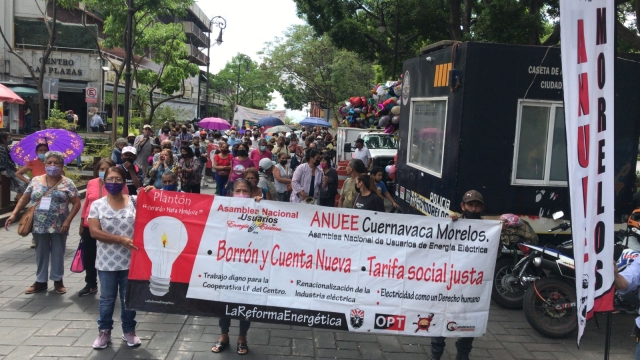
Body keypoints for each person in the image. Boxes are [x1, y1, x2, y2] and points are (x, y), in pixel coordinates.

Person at [4, 151, 81, 294]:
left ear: (62, 165)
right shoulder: (36, 180)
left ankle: (58, 281)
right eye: (49, 163)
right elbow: (24, 198)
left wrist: (68, 220)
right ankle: (40, 281)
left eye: (56, 163)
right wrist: (14, 214)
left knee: (58, 252)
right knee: (41, 252)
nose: (52, 166)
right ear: (44, 165)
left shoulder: (67, 183)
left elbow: (76, 203)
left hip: (59, 225)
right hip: (39, 224)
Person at [88, 166, 141, 349]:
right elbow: (94, 232)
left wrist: (151, 191)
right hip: (106, 262)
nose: (114, 183)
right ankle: (104, 332)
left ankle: (129, 331)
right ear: (104, 180)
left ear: (124, 181)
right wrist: (120, 240)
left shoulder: (135, 201)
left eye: (118, 179)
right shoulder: (97, 205)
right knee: (107, 298)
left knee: (129, 299)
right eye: (110, 179)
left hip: (131, 261)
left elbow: (156, 206)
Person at [430, 190, 485, 360]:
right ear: (463, 206)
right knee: (441, 318)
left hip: (473, 285)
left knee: (470, 320)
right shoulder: (453, 223)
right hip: (449, 283)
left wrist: (499, 233)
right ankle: (436, 355)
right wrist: (447, 223)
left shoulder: (488, 229)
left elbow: (492, 255)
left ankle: (463, 355)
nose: (473, 209)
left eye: (477, 206)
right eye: (470, 205)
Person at [78, 158, 128, 297]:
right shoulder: (92, 183)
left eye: (107, 169)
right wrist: (82, 221)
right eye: (101, 169)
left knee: (108, 254)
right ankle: (91, 283)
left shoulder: (118, 184)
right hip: (90, 225)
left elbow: (126, 201)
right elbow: (87, 202)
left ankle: (113, 283)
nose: (104, 172)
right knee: (89, 255)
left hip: (110, 226)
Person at [0, 132, 27, 202]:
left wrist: (16, 166)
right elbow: (5, 162)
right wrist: (14, 168)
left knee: (26, 179)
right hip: (4, 170)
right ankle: (18, 201)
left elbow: (12, 159)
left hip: (10, 169)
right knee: (23, 182)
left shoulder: (7, 148)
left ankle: (17, 199)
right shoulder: (1, 149)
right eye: (9, 138)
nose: (11, 139)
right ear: (3, 139)